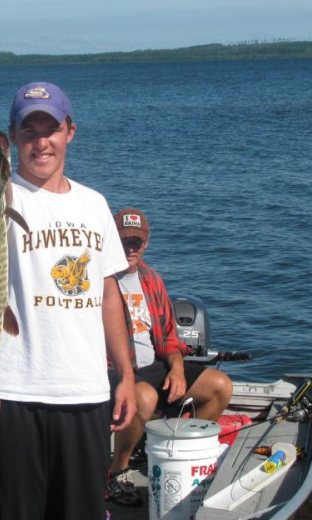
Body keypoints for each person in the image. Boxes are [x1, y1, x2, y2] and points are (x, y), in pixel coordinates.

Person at [0, 82, 136, 520]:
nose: (41, 142)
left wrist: (126, 374)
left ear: (70, 132)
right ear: (14, 137)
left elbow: (108, 293)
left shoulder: (94, 204)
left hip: (85, 393)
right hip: (14, 394)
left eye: (51, 129)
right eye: (29, 131)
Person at [104, 207, 233, 507]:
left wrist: (176, 369)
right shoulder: (100, 277)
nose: (130, 248)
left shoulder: (151, 279)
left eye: (136, 242)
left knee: (219, 386)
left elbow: (170, 340)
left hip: (154, 366)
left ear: (146, 243)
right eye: (124, 241)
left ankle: (174, 454)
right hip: (115, 370)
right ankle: (116, 471)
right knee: (145, 398)